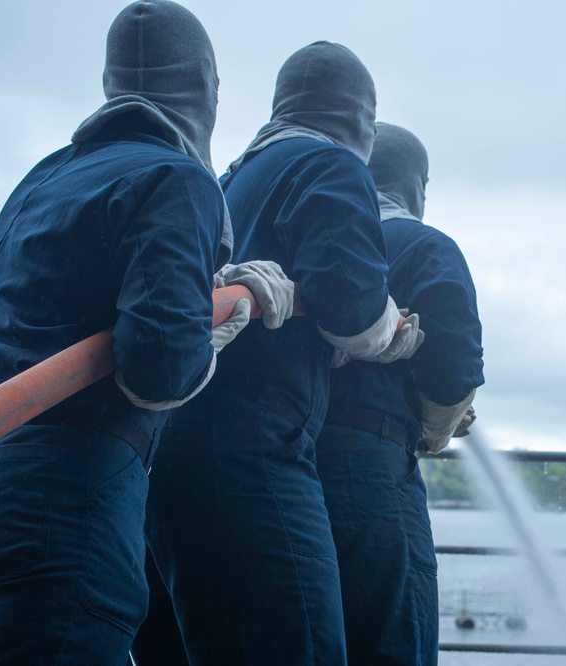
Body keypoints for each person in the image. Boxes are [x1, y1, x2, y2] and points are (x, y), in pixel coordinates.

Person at [0, 2, 250, 663]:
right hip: (65, 502)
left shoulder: (42, 178)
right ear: (205, 88)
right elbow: (158, 365)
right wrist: (220, 318)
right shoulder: (175, 178)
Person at [145, 42, 422, 665]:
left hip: (169, 454)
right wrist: (397, 334)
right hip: (255, 451)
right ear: (361, 119)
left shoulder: (228, 179)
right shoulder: (330, 165)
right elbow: (350, 306)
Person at [315, 122, 485, 665]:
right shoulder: (426, 245)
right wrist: (438, 429)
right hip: (375, 468)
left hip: (292, 457)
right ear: (417, 185)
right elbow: (455, 364)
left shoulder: (318, 239)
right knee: (393, 635)